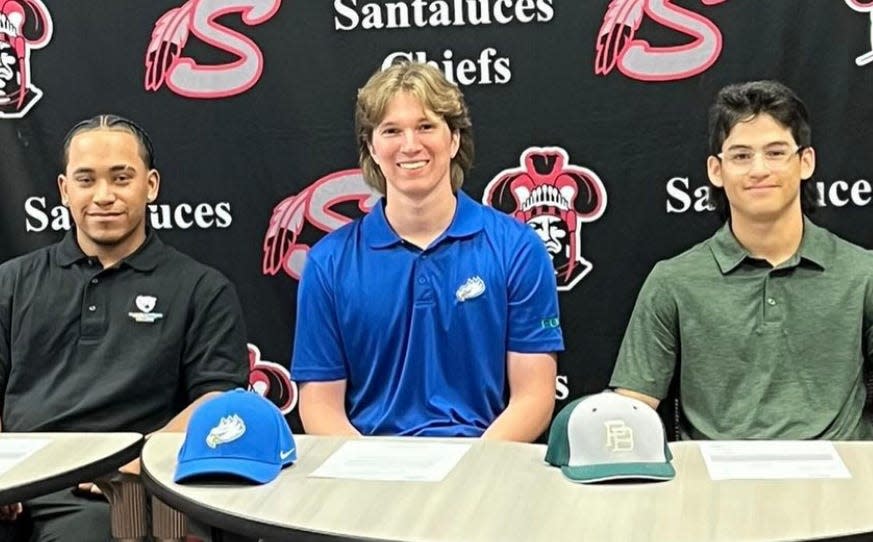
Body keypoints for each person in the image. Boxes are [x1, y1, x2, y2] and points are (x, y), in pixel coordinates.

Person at [0, 114, 249, 541]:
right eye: (86, 179)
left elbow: (218, 399)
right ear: (64, 189)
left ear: (150, 185)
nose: (103, 196)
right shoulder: (11, 282)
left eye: (121, 178)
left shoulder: (201, 288)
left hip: (125, 488)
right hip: (22, 480)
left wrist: (137, 464)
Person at [291, 61, 564, 441]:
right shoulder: (328, 263)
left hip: (482, 469)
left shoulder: (517, 249)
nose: (410, 145)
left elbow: (534, 397)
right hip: (369, 475)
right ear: (371, 146)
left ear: (453, 139)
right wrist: (371, 475)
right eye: (391, 130)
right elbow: (320, 405)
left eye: (425, 126)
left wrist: (469, 474)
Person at [610, 80, 873, 440]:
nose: (759, 169)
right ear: (716, 170)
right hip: (711, 487)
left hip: (839, 487)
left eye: (777, 152)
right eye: (741, 155)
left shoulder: (863, 274)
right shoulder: (674, 282)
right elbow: (629, 410)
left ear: (806, 162)